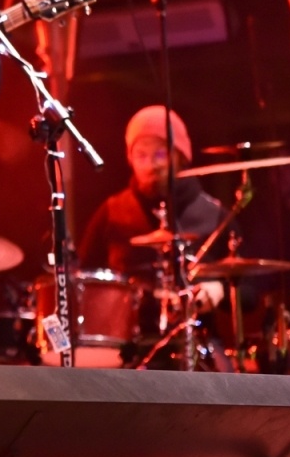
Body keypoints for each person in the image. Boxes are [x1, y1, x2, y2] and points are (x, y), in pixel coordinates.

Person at [77, 105, 224, 308]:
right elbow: (80, 279)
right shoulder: (112, 212)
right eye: (141, 155)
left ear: (180, 157)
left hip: (197, 332)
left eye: (161, 155)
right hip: (126, 335)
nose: (151, 165)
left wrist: (221, 289)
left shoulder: (213, 214)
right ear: (129, 158)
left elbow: (251, 287)